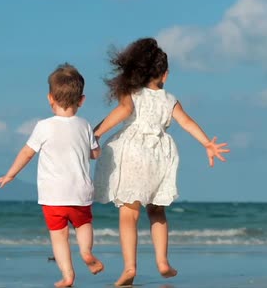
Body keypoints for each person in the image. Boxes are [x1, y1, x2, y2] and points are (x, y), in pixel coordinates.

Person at [92, 38, 230, 286]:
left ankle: (130, 268)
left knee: (129, 212)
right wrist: (207, 143)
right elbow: (186, 122)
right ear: (164, 74)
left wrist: (97, 133)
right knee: (157, 211)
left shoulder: (131, 92)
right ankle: (162, 261)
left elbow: (123, 112)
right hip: (159, 156)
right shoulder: (169, 99)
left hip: (133, 152)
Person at [0, 63, 105, 287]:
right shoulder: (84, 125)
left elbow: (27, 153)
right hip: (80, 192)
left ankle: (67, 276)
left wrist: (11, 174)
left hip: (53, 195)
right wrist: (96, 144)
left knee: (59, 236)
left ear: (50, 98)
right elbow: (95, 154)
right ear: (81, 100)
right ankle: (86, 252)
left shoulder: (43, 126)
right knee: (84, 226)